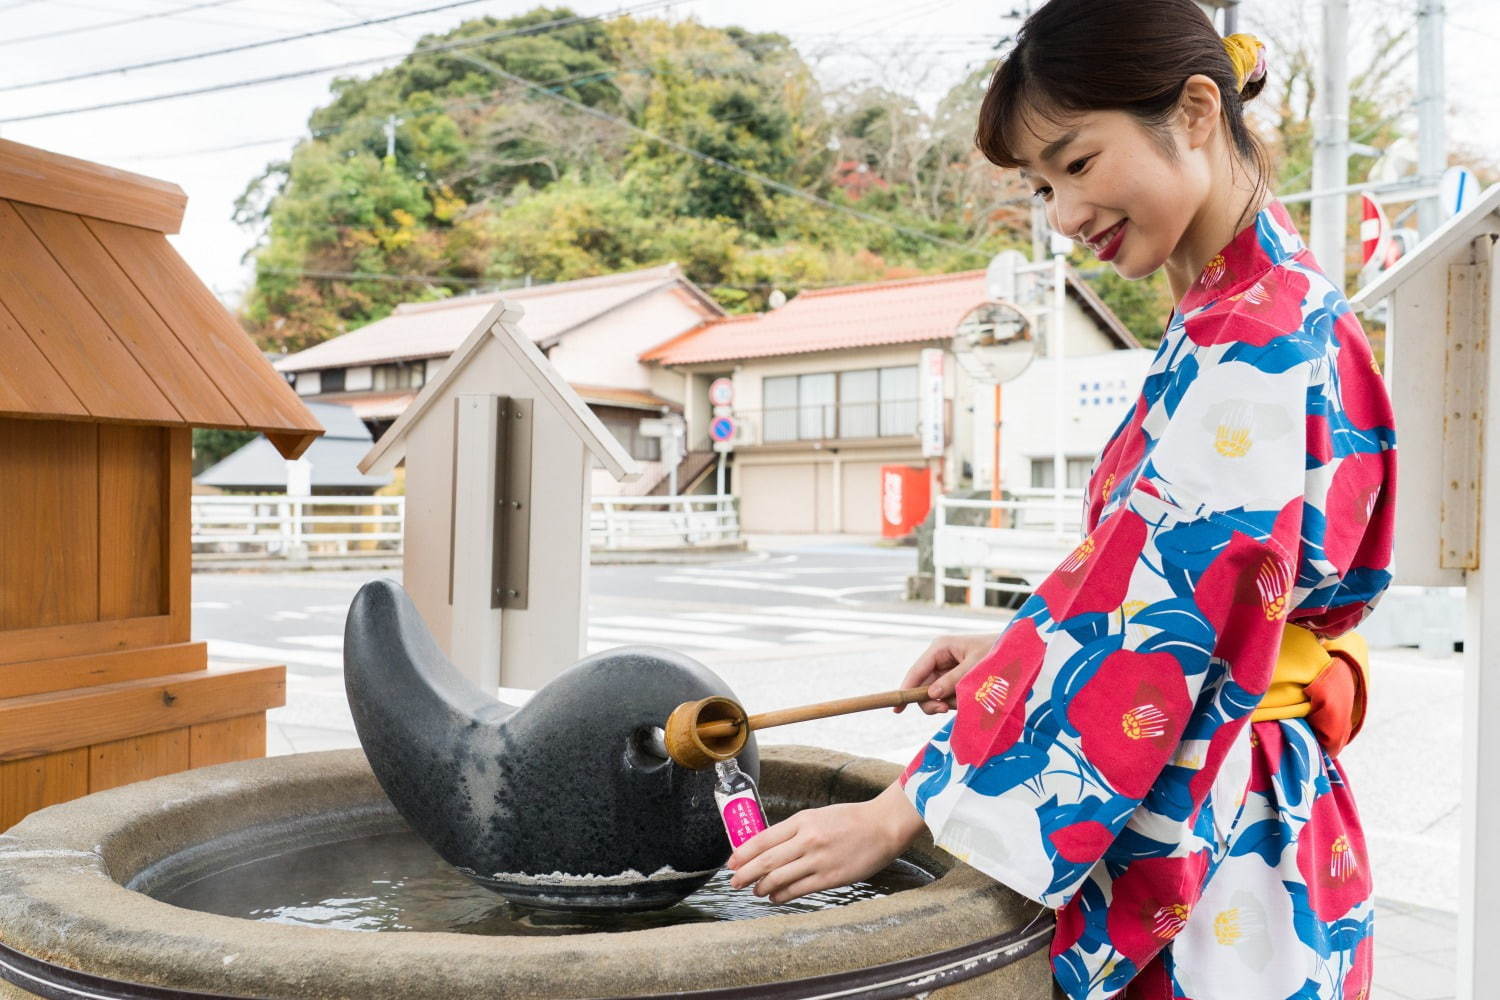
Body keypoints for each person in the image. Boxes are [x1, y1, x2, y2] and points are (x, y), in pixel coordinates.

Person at [725, 1, 1397, 997]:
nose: (1064, 218)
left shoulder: (1250, 339)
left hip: (1227, 837)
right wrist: (1010, 651)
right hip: (1264, 803)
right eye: (1042, 187)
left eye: (1078, 165)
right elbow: (1159, 575)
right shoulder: (1254, 302)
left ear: (1199, 110)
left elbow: (1153, 624)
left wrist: (906, 804)